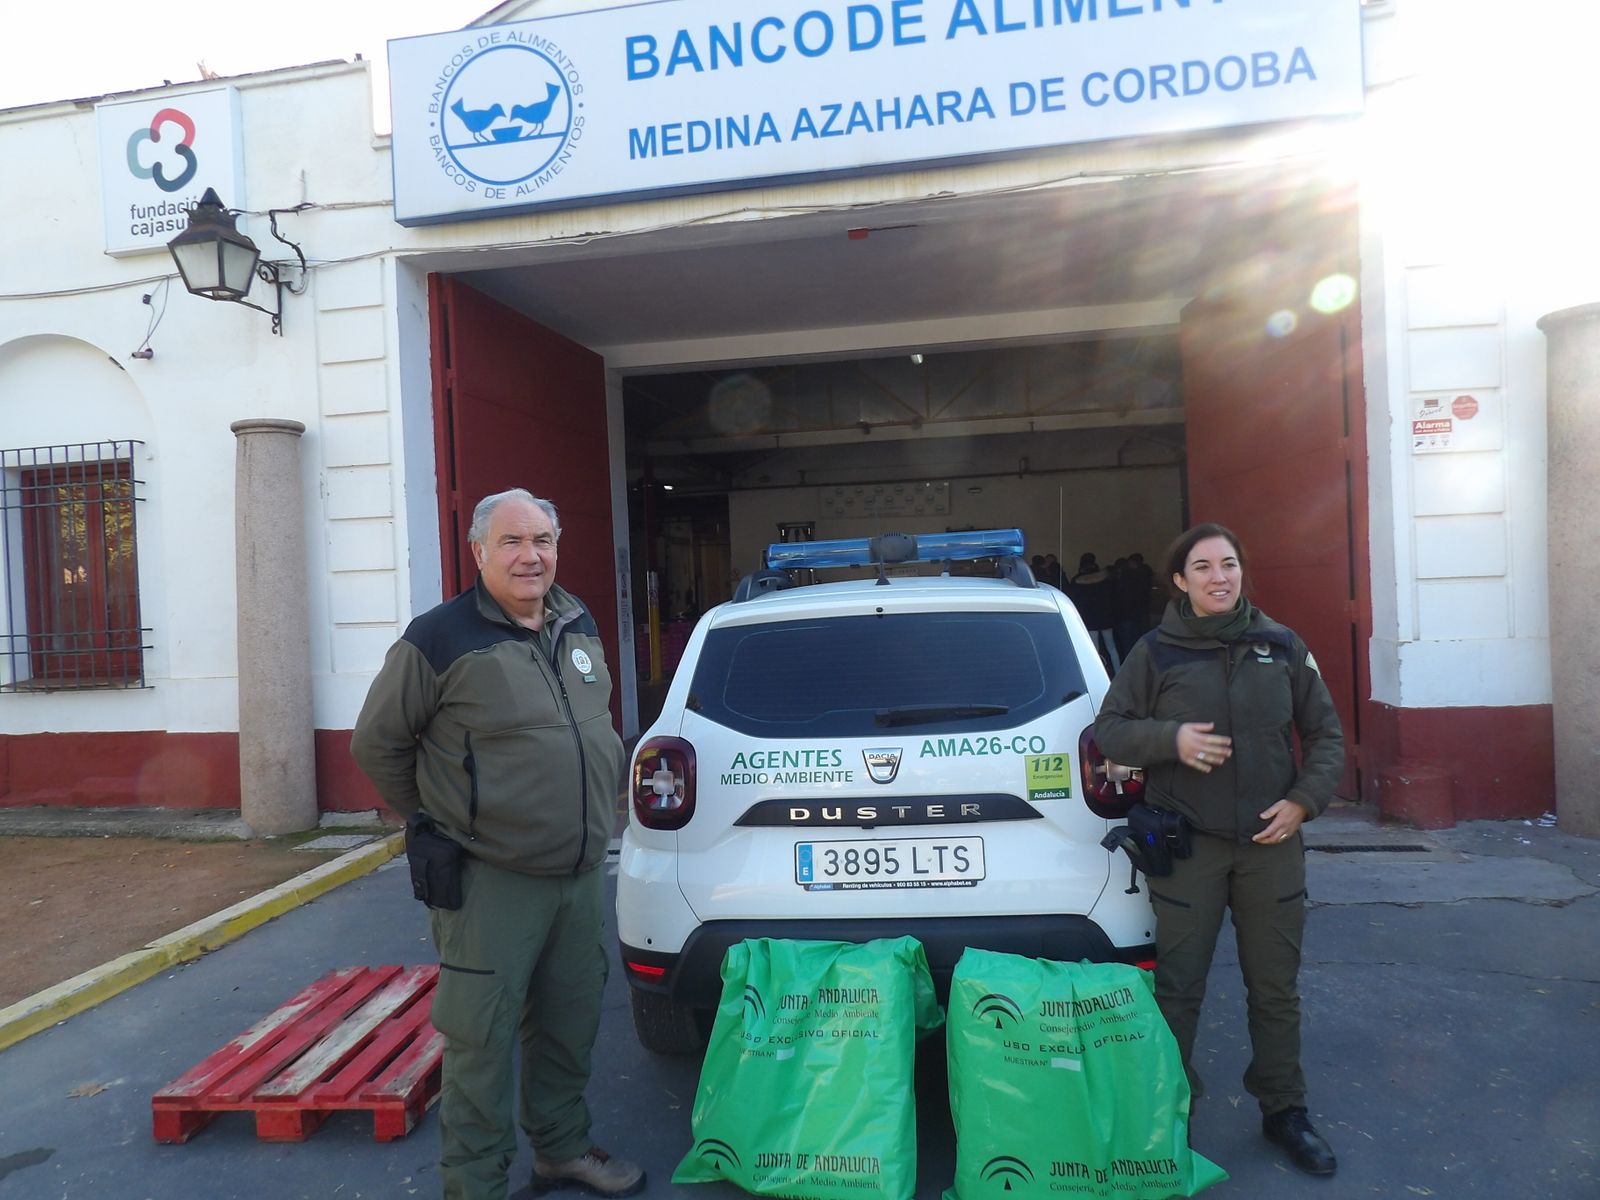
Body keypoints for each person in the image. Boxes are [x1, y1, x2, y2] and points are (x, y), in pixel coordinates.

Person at [351, 488, 642, 1200]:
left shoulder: (577, 621)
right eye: (512, 541)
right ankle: (475, 1184)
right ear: (479, 551)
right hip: (491, 880)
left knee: (570, 1023)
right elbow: (377, 743)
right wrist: (443, 815)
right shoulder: (438, 638)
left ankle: (561, 1149)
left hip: (579, 874)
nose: (529, 555)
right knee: (480, 1041)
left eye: (542, 540)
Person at [1093, 523, 1344, 1177]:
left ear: (1240, 572)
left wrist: (1303, 801)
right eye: (1202, 567)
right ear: (1180, 580)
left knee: (1275, 987)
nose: (1218, 576)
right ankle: (1169, 1112)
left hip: (1270, 845)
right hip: (1189, 848)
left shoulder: (1282, 646)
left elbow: (1325, 734)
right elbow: (1110, 730)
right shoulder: (1155, 652)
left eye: (1228, 564)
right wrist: (1170, 740)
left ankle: (1284, 1110)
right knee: (1178, 989)